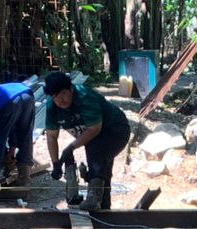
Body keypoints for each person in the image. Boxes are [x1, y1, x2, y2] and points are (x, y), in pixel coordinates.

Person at [41, 71, 131, 211]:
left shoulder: (84, 97)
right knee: (103, 171)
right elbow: (52, 136)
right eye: (55, 96)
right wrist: (55, 163)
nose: (60, 100)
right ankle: (103, 209)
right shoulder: (52, 107)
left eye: (63, 94)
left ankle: (93, 199)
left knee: (95, 150)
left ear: (70, 89)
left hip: (116, 129)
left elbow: (94, 129)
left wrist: (70, 148)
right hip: (95, 134)